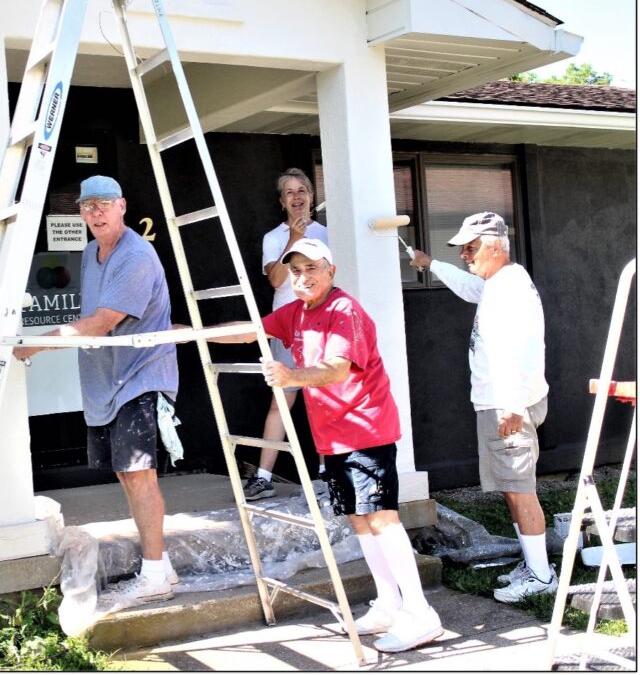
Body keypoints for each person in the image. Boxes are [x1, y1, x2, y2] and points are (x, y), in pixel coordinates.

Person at [212, 238, 443, 653]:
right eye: (295, 271)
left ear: (330, 271)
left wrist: (290, 376)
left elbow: (336, 370)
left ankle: (421, 613)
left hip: (366, 430)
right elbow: (253, 330)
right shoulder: (296, 312)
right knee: (358, 520)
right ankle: (389, 602)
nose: (302, 278)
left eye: (311, 269)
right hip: (332, 437)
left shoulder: (344, 311)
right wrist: (191, 334)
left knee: (381, 518)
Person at [14, 175, 180, 603]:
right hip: (107, 382)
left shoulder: (136, 255)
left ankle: (156, 573)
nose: (96, 212)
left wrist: (35, 343)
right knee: (126, 473)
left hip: (141, 376)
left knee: (141, 475)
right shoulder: (91, 252)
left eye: (105, 203)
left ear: (122, 206)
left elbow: (104, 320)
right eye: (88, 206)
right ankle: (159, 563)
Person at [410, 212, 553, 604]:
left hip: (508, 405)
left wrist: (510, 406)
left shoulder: (507, 289)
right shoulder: (499, 282)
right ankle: (533, 563)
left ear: (494, 246)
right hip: (504, 402)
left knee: (520, 489)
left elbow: (514, 350)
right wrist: (430, 264)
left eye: (471, 248)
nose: (464, 256)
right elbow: (471, 288)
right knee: (511, 486)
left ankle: (541, 577)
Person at [244, 167, 329, 501]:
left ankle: (326, 474)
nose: (297, 197)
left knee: (322, 400)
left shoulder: (326, 233)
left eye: (302, 191)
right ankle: (264, 476)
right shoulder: (274, 237)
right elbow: (276, 280)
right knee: (282, 400)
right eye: (290, 193)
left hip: (320, 325)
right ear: (282, 202)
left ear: (311, 196)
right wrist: (294, 240)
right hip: (287, 326)